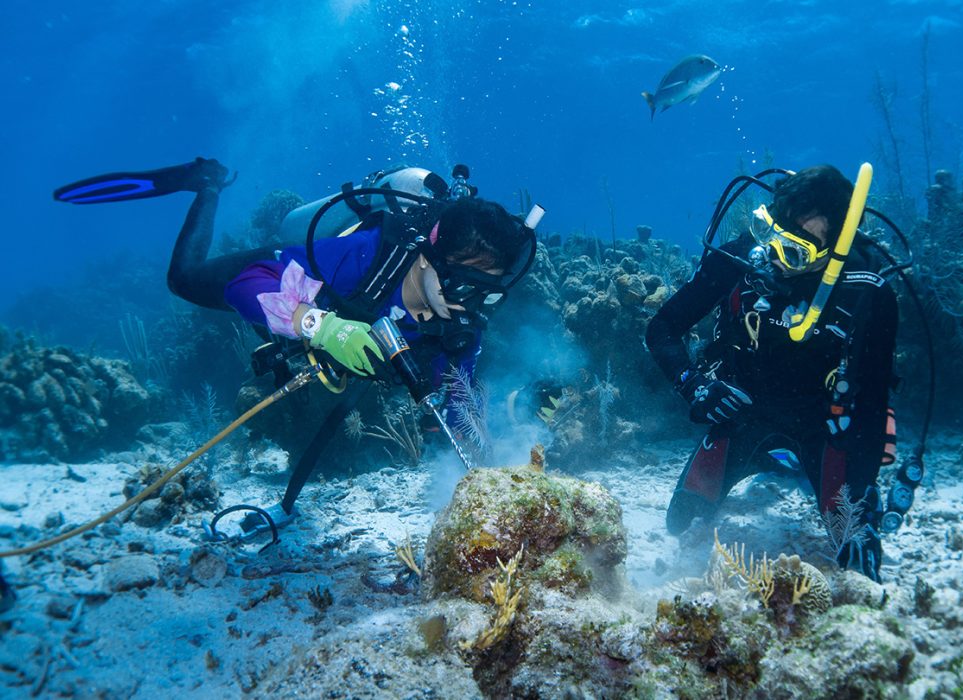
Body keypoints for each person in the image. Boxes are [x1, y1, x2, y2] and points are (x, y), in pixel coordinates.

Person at [56, 158, 536, 537]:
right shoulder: (368, 255)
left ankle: (286, 507)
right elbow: (252, 281)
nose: (474, 305)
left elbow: (458, 406)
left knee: (343, 400)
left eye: (489, 292)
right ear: (431, 260)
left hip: (352, 344)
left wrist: (498, 463)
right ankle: (205, 182)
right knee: (182, 281)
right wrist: (321, 326)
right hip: (307, 293)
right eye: (466, 285)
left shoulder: (463, 325)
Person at [645, 165, 897, 583]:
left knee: (857, 560)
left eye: (795, 252)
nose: (774, 259)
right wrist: (693, 385)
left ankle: (803, 474)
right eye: (770, 234)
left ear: (832, 250)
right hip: (739, 414)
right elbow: (663, 328)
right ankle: (769, 465)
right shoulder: (742, 256)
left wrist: (864, 492)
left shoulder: (867, 289)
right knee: (681, 523)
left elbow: (872, 405)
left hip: (824, 427)